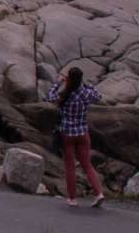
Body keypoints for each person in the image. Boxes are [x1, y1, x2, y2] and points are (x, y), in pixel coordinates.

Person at [45, 67, 105, 208]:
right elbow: (98, 96)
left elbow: (48, 96)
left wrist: (58, 82)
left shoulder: (65, 95)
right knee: (87, 165)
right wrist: (86, 84)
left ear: (69, 79)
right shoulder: (85, 93)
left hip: (67, 134)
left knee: (70, 166)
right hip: (83, 133)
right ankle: (99, 193)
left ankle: (72, 198)